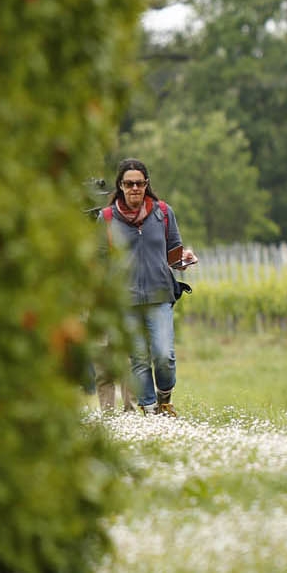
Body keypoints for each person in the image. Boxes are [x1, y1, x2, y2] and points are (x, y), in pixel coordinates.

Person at [100, 158, 195, 416]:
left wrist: (184, 259)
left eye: (139, 183)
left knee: (164, 355)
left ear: (146, 185)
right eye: (129, 183)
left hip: (160, 295)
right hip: (125, 301)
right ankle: (151, 410)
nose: (134, 188)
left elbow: (174, 253)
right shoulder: (107, 219)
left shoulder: (163, 213)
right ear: (120, 186)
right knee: (138, 360)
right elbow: (98, 261)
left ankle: (165, 397)